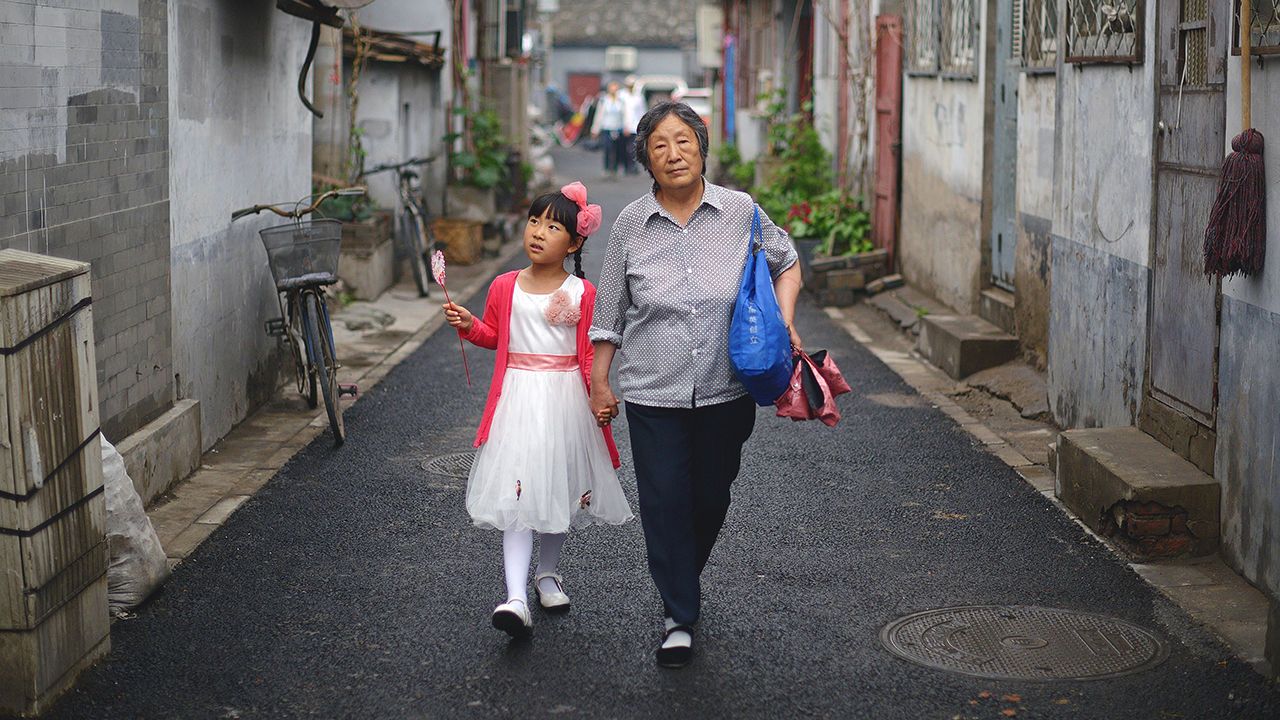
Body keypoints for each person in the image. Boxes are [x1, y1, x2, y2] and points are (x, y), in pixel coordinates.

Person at [589, 102, 803, 668]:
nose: (673, 154)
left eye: (682, 141)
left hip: (726, 389)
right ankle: (678, 614)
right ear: (646, 159)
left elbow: (787, 260)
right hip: (652, 392)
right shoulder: (631, 225)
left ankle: (680, 577)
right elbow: (609, 311)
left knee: (709, 497)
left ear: (701, 147)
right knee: (663, 501)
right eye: (659, 145)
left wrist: (782, 322)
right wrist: (599, 381)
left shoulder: (740, 211)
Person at [444, 182, 633, 639]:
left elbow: (589, 354)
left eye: (553, 226)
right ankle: (515, 596)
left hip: (565, 400)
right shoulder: (504, 285)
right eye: (534, 221)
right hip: (518, 399)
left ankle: (547, 574)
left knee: (554, 490)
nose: (538, 232)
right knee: (518, 495)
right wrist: (471, 325)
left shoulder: (583, 292)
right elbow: (496, 336)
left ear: (574, 243)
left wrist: (598, 393)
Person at [591, 82, 627, 178]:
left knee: (617, 150)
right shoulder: (604, 101)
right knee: (607, 149)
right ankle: (606, 169)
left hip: (618, 128)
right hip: (606, 129)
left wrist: (626, 127)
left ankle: (615, 170)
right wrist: (595, 129)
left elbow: (625, 116)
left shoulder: (621, 101)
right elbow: (599, 116)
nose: (613, 91)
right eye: (612, 88)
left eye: (615, 89)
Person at [620, 75, 646, 175]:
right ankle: (625, 166)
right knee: (623, 148)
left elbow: (641, 112)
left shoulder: (638, 97)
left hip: (634, 127)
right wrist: (624, 125)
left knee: (632, 148)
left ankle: (632, 167)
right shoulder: (621, 95)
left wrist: (642, 126)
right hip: (622, 127)